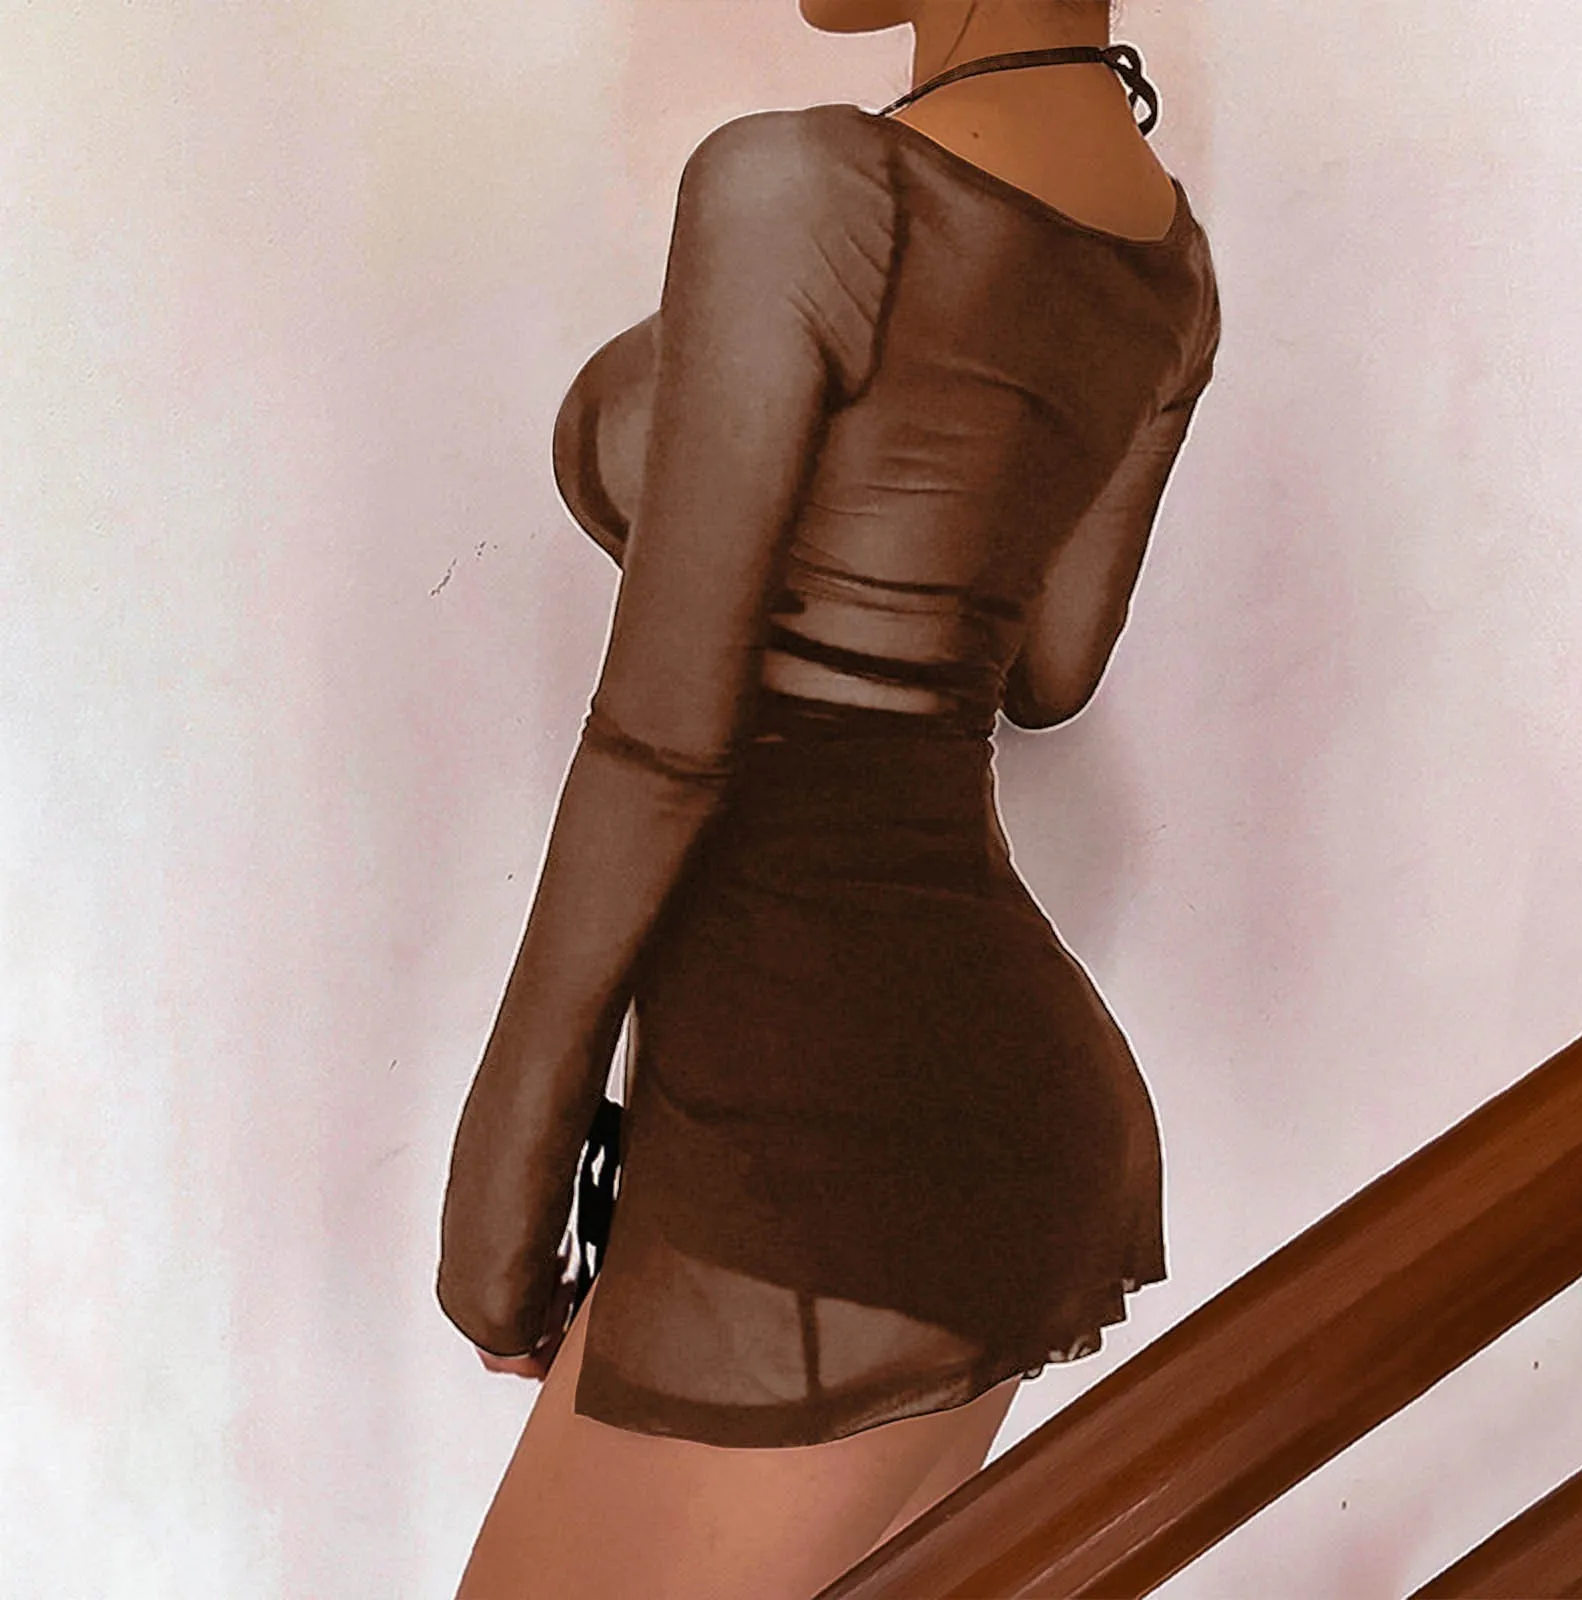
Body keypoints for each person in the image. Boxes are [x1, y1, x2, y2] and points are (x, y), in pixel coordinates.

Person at [437, 1, 1222, 1593]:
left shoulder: (801, 189)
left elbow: (661, 742)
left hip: (815, 1132)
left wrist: (501, 1189)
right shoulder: (1166, 262)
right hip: (985, 1121)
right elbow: (1047, 667)